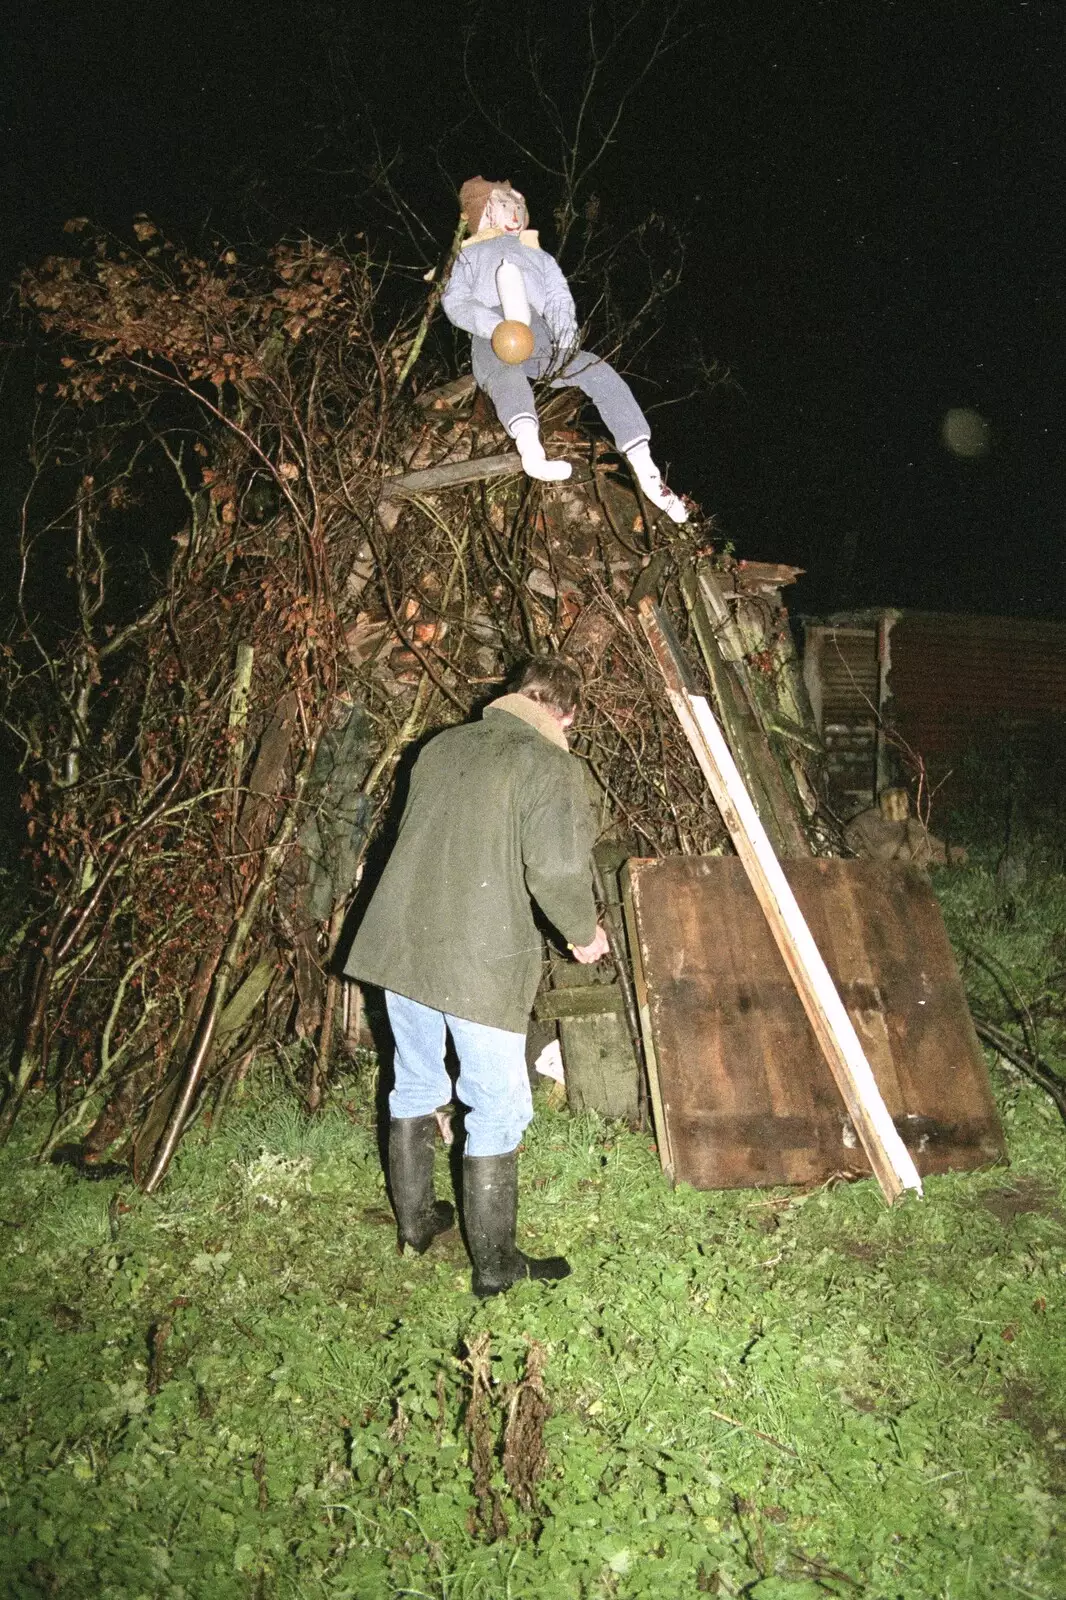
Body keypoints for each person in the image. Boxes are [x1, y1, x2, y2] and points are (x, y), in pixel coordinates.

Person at [345, 656, 610, 1296]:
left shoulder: (442, 746)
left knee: (414, 1081)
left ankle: (416, 1226)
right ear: (565, 713)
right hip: (476, 959)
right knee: (497, 1106)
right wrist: (583, 934)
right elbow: (555, 872)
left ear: (515, 695)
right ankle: (495, 1267)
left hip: (399, 944)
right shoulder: (552, 766)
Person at [440, 175, 689, 522]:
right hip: (496, 330)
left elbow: (558, 298)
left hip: (539, 331)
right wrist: (493, 326)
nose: (516, 213)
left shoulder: (537, 256)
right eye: (506, 206)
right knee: (504, 374)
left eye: (519, 206)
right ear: (485, 213)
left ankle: (646, 467)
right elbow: (456, 302)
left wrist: (567, 339)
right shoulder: (470, 255)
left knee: (595, 370)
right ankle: (531, 450)